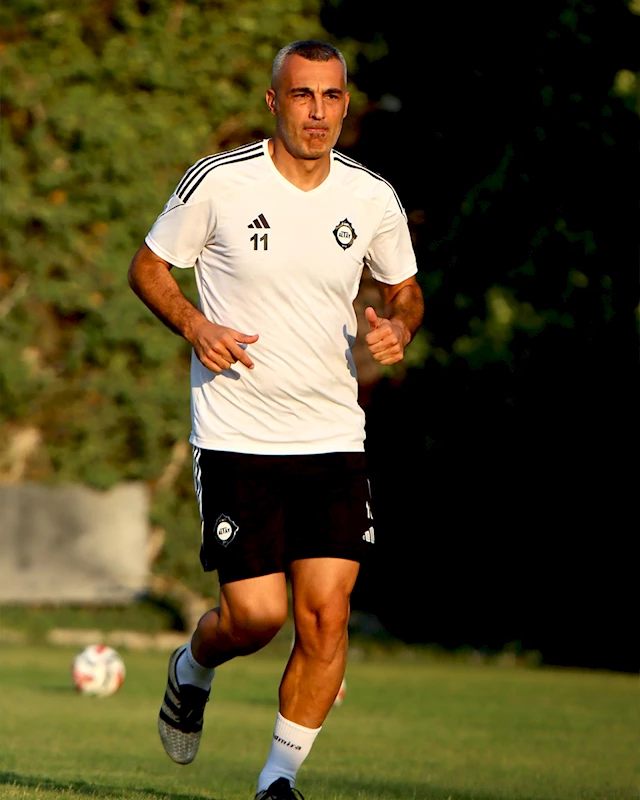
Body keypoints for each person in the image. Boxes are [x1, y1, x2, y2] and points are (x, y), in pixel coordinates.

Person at [127, 39, 424, 800]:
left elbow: (405, 288)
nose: (317, 112)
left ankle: (277, 782)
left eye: (331, 96)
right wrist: (196, 326)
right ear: (274, 102)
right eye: (301, 94)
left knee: (325, 617)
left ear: (345, 105)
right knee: (256, 619)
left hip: (332, 436)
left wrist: (399, 325)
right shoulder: (220, 183)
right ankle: (192, 667)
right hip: (237, 434)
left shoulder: (371, 196)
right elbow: (149, 267)